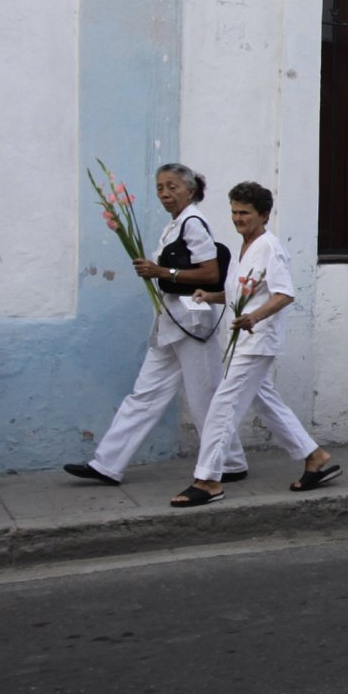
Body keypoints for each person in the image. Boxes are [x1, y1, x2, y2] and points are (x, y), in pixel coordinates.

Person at [65, 163, 235, 487]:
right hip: (172, 322)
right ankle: (107, 464)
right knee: (145, 394)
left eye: (172, 186)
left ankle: (230, 461)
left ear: (190, 190)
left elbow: (211, 274)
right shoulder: (174, 227)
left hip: (193, 323)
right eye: (160, 187)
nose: (165, 193)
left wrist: (163, 273)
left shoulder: (194, 224)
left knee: (205, 397)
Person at [173, 182, 338, 505]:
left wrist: (255, 318)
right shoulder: (244, 247)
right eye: (234, 212)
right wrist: (212, 296)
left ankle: (207, 480)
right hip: (243, 340)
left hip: (257, 339)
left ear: (263, 215)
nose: (238, 218)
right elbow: (243, 294)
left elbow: (284, 293)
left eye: (245, 213)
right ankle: (314, 455)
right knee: (266, 401)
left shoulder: (270, 247)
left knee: (224, 404)